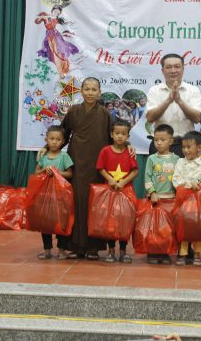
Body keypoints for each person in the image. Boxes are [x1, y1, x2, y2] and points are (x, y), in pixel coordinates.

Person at [59, 77, 111, 260]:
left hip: (97, 165)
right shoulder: (73, 111)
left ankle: (93, 247)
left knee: (94, 203)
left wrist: (128, 147)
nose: (90, 92)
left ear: (99, 92)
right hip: (76, 163)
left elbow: (114, 137)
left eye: (94, 89)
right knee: (76, 202)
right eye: (87, 89)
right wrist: (48, 148)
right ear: (81, 91)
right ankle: (75, 246)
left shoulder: (105, 114)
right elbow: (62, 134)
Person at [96, 119, 139, 263]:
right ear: (111, 134)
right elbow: (100, 168)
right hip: (110, 192)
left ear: (128, 136)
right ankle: (111, 251)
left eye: (123, 134)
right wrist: (110, 179)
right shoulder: (105, 151)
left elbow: (135, 171)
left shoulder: (129, 152)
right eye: (117, 133)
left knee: (124, 221)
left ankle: (123, 252)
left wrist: (123, 182)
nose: (120, 136)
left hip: (126, 192)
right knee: (111, 222)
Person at [146, 53, 201, 156]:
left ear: (183, 69)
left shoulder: (193, 90)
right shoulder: (154, 90)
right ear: (162, 70)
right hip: (160, 145)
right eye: (168, 67)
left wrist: (179, 101)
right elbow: (150, 118)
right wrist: (168, 100)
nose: (173, 71)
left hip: (185, 146)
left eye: (177, 67)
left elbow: (197, 118)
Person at [172, 131, 201, 266]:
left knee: (197, 228)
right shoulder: (180, 162)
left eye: (189, 147)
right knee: (183, 227)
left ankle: (196, 254)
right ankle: (182, 254)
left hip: (199, 202)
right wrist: (189, 185)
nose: (186, 150)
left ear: (199, 148)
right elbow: (176, 180)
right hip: (183, 200)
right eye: (184, 147)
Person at [35, 125, 74, 260]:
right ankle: (47, 250)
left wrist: (57, 172)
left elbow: (70, 173)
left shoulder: (64, 156)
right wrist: (43, 170)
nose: (54, 142)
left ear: (63, 141)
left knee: (61, 223)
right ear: (46, 140)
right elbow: (36, 173)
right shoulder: (43, 156)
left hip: (60, 196)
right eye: (51, 139)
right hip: (45, 195)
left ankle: (61, 250)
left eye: (58, 139)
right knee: (45, 223)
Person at [144, 124, 180, 265]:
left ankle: (165, 252)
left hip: (171, 199)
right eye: (156, 140)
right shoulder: (152, 159)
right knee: (154, 227)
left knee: (167, 228)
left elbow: (179, 178)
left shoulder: (177, 159)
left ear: (171, 141)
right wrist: (152, 192)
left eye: (163, 140)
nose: (158, 143)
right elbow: (147, 177)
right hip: (155, 199)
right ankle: (152, 252)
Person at [35, 5, 79, 78]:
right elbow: (37, 21)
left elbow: (64, 24)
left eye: (58, 13)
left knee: (59, 53)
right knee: (53, 54)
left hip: (56, 37)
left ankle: (63, 71)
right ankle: (60, 72)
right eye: (55, 11)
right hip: (49, 37)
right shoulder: (46, 16)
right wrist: (41, 18)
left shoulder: (56, 19)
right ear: (52, 10)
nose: (56, 13)